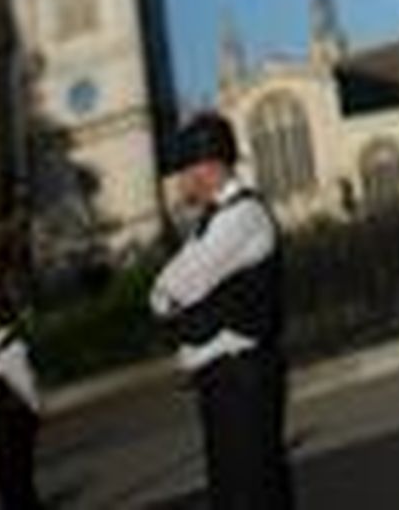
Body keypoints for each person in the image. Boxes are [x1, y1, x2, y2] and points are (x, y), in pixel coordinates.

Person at [149, 110, 293, 509]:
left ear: (208, 166)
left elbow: (177, 286)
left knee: (252, 494)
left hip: (243, 378)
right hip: (226, 381)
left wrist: (173, 302)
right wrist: (170, 299)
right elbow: (161, 291)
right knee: (239, 494)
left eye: (185, 170)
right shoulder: (213, 221)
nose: (180, 180)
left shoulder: (241, 217)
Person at [0, 302, 44, 510]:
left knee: (18, 466)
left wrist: (35, 409)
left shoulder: (12, 349)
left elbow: (25, 383)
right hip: (5, 420)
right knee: (12, 468)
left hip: (15, 419)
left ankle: (24, 504)